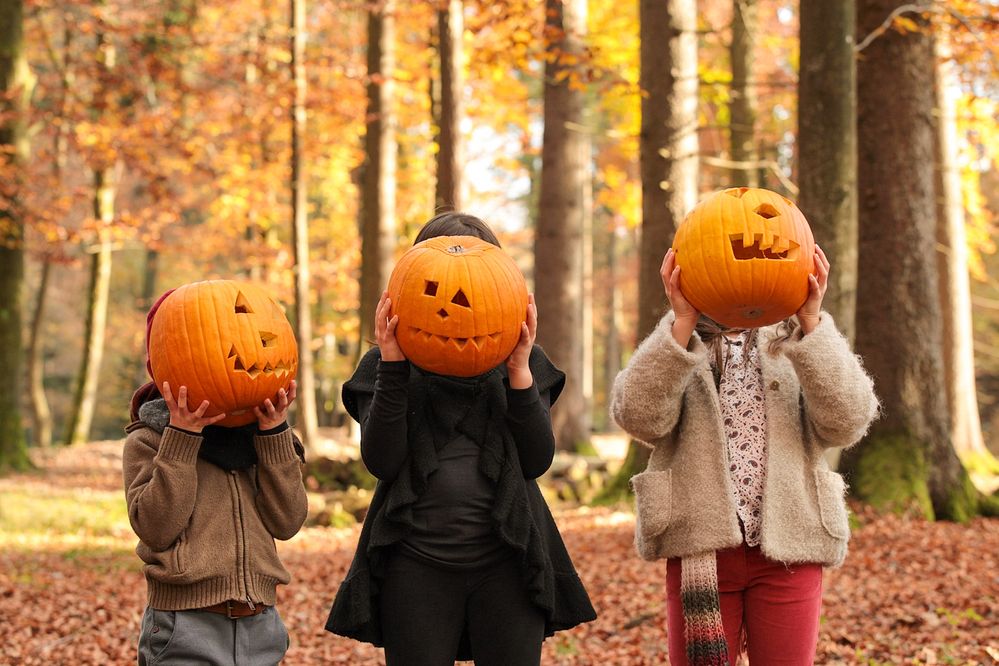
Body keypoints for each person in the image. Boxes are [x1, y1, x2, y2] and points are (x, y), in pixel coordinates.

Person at [325, 212, 596, 666]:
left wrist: (519, 374)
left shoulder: (524, 366)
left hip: (508, 561)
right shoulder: (383, 368)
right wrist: (393, 365)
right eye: (433, 285)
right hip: (414, 566)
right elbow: (382, 462)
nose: (458, 305)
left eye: (477, 286)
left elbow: (535, 460)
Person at [611, 246, 878, 665]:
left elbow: (847, 421)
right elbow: (640, 418)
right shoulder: (683, 339)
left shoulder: (796, 338)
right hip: (701, 549)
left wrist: (811, 323)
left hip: (790, 546)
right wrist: (681, 322)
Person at [123, 291, 308, 666]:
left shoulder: (268, 440)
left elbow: (288, 521)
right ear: (161, 364)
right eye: (205, 343)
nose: (234, 354)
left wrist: (273, 435)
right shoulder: (150, 439)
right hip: (183, 627)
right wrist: (182, 439)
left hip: (261, 625)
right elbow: (156, 528)